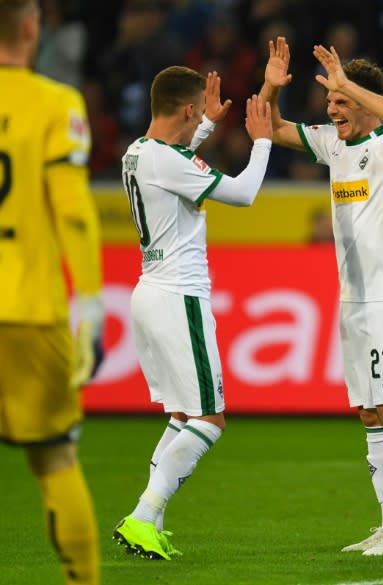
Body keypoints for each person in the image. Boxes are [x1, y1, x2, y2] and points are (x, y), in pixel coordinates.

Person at [259, 37, 383, 556]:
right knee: (370, 412)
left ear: (364, 101)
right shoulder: (334, 145)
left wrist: (349, 81)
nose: (332, 112)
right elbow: (270, 127)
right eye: (329, 103)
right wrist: (270, 84)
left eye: (341, 102)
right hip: (353, 299)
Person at [112, 66, 273, 560]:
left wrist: (205, 128)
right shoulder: (166, 160)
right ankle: (143, 514)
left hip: (148, 290)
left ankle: (149, 525)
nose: (203, 115)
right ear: (186, 108)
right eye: (198, 110)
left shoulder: (136, 152)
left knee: (181, 416)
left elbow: (175, 162)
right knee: (209, 419)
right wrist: (261, 141)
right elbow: (243, 194)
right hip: (179, 296)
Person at [0, 1, 103, 583]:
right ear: (32, 28)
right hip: (27, 310)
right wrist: (88, 303)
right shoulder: (55, 104)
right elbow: (75, 214)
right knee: (56, 459)